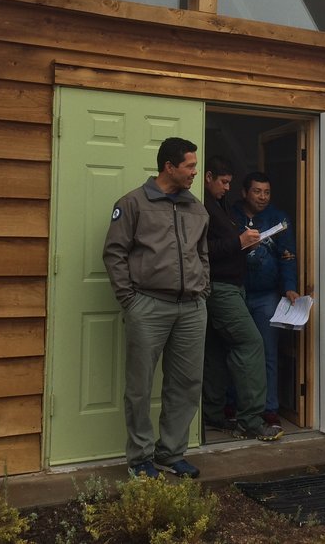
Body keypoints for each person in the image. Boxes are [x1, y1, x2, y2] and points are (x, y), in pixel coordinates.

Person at [102, 137, 210, 480]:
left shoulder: (197, 207)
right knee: (140, 385)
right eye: (190, 166)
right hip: (149, 305)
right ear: (169, 167)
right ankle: (139, 459)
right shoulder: (133, 203)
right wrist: (130, 300)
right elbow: (114, 253)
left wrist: (203, 289)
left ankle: (171, 453)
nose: (195, 172)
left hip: (192, 308)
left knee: (187, 383)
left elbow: (202, 254)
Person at [201, 157, 284, 442]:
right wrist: (239, 242)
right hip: (220, 288)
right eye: (223, 182)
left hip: (232, 286)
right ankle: (251, 420)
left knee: (214, 349)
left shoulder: (220, 206)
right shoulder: (200, 207)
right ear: (208, 177)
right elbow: (201, 249)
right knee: (250, 343)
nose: (226, 188)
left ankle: (212, 413)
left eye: (229, 183)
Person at [231, 171, 299, 426]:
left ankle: (269, 408)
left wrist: (289, 286)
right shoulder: (231, 215)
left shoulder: (278, 218)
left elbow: (287, 255)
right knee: (236, 352)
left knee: (267, 352)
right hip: (235, 294)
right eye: (257, 191)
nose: (262, 197)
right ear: (244, 192)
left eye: (267, 192)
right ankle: (235, 404)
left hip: (266, 296)